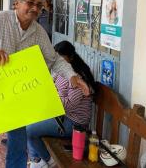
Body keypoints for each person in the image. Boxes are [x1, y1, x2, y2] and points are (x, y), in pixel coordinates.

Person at [0, 0, 90, 168]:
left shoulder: (38, 32)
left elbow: (53, 60)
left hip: (17, 95)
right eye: (30, 2)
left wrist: (72, 76)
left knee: (18, 146)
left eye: (39, 6)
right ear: (17, 3)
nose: (35, 8)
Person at [27, 40, 96, 168]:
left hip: (74, 124)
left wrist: (48, 97)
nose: (57, 61)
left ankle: (48, 160)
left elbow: (67, 105)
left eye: (60, 57)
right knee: (28, 118)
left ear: (71, 57)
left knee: (29, 130)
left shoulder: (78, 76)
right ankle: (36, 160)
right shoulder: (62, 71)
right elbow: (51, 87)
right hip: (61, 117)